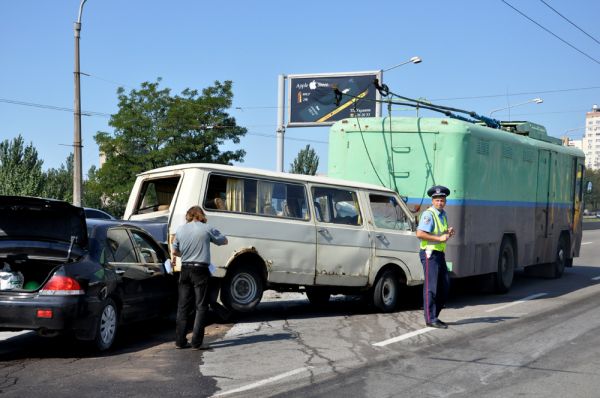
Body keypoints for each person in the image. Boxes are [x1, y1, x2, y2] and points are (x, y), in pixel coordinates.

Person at [172, 206, 228, 349]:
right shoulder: (206, 228)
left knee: (183, 306)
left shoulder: (180, 229)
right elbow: (224, 241)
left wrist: (187, 253)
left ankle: (180, 341)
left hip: (185, 269)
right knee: (201, 306)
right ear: (200, 215)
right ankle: (196, 342)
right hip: (200, 270)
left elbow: (175, 251)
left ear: (188, 215)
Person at [416, 185, 455, 329]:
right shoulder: (429, 214)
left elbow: (439, 232)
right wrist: (440, 239)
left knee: (444, 286)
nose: (440, 202)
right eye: (437, 200)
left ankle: (434, 315)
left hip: (439, 254)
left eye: (442, 200)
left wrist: (447, 231)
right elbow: (420, 234)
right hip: (429, 253)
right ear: (432, 201)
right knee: (430, 288)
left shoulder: (443, 214)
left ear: (445, 201)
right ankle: (430, 318)